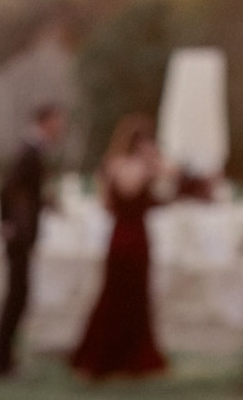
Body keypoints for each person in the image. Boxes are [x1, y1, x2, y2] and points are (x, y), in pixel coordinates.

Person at [68, 114, 172, 381]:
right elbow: (126, 192)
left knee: (136, 296)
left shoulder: (120, 165)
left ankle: (132, 356)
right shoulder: (124, 166)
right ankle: (107, 356)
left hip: (131, 233)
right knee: (116, 294)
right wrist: (148, 168)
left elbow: (107, 202)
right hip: (128, 234)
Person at [0, 103, 65, 379]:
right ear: (45, 122)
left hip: (23, 233)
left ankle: (7, 358)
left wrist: (44, 202)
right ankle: (2, 361)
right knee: (16, 296)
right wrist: (7, 223)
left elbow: (24, 192)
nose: (60, 129)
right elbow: (7, 188)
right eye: (57, 123)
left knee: (20, 295)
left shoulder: (34, 151)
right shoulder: (28, 151)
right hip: (19, 236)